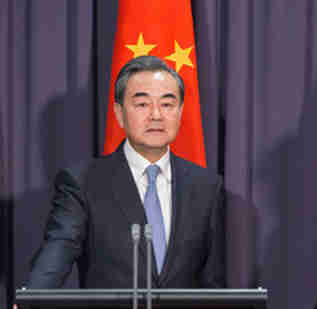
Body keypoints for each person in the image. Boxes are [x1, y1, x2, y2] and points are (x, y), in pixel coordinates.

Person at [26, 55, 225, 289]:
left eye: (167, 104)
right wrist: (33, 299)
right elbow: (58, 252)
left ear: (180, 112)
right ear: (119, 113)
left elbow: (213, 284)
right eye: (142, 104)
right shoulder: (84, 183)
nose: (156, 115)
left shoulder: (206, 186)